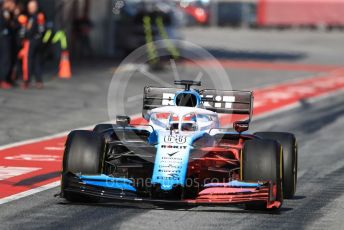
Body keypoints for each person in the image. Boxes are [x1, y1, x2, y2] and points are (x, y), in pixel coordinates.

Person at [23, 0, 45, 89]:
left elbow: (30, 31)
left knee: (29, 61)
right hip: (38, 41)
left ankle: (27, 80)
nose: (30, 9)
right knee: (37, 61)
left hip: (32, 41)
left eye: (31, 7)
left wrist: (25, 33)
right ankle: (38, 80)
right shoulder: (40, 16)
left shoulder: (34, 17)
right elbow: (42, 30)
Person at [0, 0, 15, 89]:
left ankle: (5, 79)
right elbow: (6, 24)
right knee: (6, 59)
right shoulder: (5, 12)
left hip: (4, 38)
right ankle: (3, 79)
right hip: (4, 38)